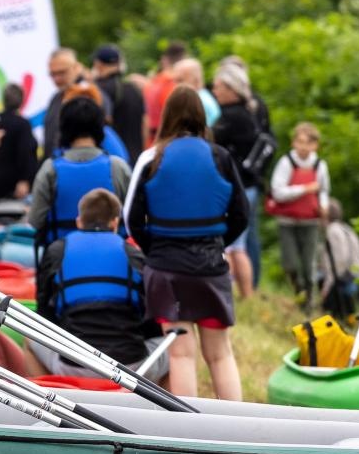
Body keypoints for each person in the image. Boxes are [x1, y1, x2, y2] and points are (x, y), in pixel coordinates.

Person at [125, 87, 249, 401]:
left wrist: (156, 250)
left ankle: (188, 432)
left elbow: (132, 219)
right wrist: (217, 244)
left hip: (167, 270)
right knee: (220, 354)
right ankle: (238, 429)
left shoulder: (153, 157)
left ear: (167, 116)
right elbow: (241, 214)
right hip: (210, 266)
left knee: (180, 356)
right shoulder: (220, 157)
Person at [37, 188, 160, 376]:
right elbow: (152, 320)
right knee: (174, 351)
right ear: (115, 222)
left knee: (30, 341)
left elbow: (44, 313)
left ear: (79, 221)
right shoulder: (133, 254)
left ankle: (52, 395)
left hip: (73, 365)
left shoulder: (56, 251)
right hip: (132, 367)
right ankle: (157, 405)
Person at [28, 95, 132, 251]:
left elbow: (35, 220)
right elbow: (135, 219)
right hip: (113, 262)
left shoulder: (50, 169)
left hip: (63, 265)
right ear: (100, 127)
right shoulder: (118, 167)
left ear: (63, 128)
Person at [210, 60, 270, 298]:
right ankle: (247, 293)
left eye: (218, 87)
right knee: (242, 242)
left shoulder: (231, 117)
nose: (214, 92)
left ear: (232, 90)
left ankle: (233, 293)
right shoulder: (250, 111)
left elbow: (211, 145)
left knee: (233, 245)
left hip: (238, 186)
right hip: (250, 184)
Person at [267, 121, 330, 311]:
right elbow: (278, 192)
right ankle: (298, 291)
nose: (302, 147)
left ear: (314, 145)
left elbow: (324, 190)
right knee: (290, 263)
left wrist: (324, 206)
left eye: (307, 143)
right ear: (294, 142)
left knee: (309, 264)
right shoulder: (286, 163)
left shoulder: (320, 166)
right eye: (299, 142)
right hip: (287, 221)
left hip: (310, 221)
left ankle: (308, 302)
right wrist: (304, 189)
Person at [0, 83, 39, 203]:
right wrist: (25, 179)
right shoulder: (22, 124)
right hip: (13, 184)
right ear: (21, 101)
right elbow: (26, 152)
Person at [91, 45, 146, 159]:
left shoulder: (97, 90)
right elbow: (145, 123)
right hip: (137, 155)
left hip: (113, 159)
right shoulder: (134, 88)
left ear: (98, 65)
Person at [318, 197, 359, 320]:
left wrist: (327, 287)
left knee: (317, 277)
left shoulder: (332, 231)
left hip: (345, 282)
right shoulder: (347, 229)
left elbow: (338, 263)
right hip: (358, 279)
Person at [38, 47, 83, 160]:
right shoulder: (56, 98)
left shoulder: (88, 95)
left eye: (62, 72)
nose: (57, 79)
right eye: (52, 74)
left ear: (76, 68)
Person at [144, 40, 188, 146]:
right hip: (168, 142)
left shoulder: (152, 83)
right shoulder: (173, 84)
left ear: (164, 60)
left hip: (151, 141)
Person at [171, 58, 219, 127]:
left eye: (180, 80)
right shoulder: (198, 98)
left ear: (196, 80)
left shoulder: (199, 102)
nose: (175, 86)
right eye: (174, 81)